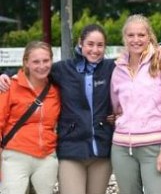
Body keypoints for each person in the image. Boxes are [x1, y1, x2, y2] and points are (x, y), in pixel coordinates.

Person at [0, 24, 115, 194]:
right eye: (90, 44)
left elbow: (136, 69)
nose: (95, 50)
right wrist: (6, 75)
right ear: (80, 43)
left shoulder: (111, 68)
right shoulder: (63, 69)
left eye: (100, 45)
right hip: (70, 149)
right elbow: (33, 72)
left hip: (100, 148)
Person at [110, 14, 161, 194]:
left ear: (149, 36)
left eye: (141, 35)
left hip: (154, 148)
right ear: (124, 38)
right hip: (122, 148)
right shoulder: (118, 69)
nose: (136, 40)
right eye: (131, 35)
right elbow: (116, 107)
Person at [0, 41, 60, 194]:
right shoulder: (10, 86)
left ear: (52, 60)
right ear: (26, 62)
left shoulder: (56, 90)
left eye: (46, 61)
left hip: (46, 157)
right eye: (36, 61)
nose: (42, 66)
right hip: (16, 155)